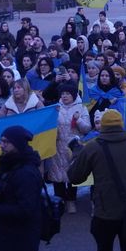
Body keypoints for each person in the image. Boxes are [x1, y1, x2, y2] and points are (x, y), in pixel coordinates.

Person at [68, 110, 126, 251]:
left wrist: (76, 153)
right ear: (121, 125)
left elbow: (75, 177)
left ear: (103, 126)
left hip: (104, 210)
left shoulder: (92, 148)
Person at [0, 126, 42, 251]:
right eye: (1, 141)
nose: (1, 145)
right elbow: (11, 191)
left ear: (17, 144)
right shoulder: (12, 164)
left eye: (6, 142)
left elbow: (25, 210)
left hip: (19, 242)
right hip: (7, 236)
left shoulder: (26, 173)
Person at [48, 84, 91, 214]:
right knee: (57, 175)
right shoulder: (55, 108)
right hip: (57, 146)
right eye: (62, 94)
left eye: (67, 93)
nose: (64, 96)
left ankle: (71, 201)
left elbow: (87, 128)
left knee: (73, 174)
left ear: (73, 94)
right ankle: (59, 201)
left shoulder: (82, 108)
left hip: (74, 147)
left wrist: (78, 121)